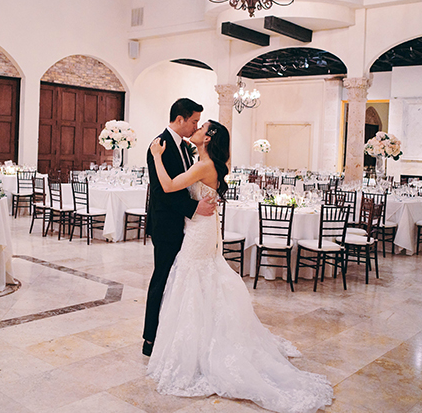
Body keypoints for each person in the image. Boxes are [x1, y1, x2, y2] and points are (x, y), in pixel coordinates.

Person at [146, 120, 334, 413]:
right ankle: (203, 335)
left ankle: (200, 345)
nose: (195, 129)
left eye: (201, 126)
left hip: (199, 230)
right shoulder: (212, 163)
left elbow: (169, 186)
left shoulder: (204, 165)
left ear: (208, 137)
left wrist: (157, 156)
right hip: (204, 226)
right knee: (202, 279)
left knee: (192, 278)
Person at [142, 98, 216, 357]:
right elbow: (165, 192)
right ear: (180, 119)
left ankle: (170, 335)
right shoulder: (159, 145)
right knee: (161, 279)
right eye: (194, 121)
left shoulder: (186, 147)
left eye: (199, 122)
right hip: (166, 224)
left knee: (177, 281)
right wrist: (194, 209)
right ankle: (149, 339)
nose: (196, 126)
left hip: (185, 226)